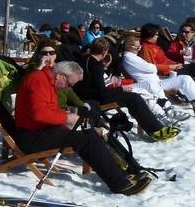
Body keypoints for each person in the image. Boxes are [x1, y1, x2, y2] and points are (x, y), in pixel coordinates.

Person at [14, 61, 150, 195]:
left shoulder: (45, 81)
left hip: (40, 130)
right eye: (69, 84)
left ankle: (121, 173)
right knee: (86, 138)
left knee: (88, 129)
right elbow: (40, 114)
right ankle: (120, 184)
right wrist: (67, 118)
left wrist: (68, 116)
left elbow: (48, 110)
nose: (67, 88)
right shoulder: (38, 80)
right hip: (31, 136)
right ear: (60, 75)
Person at [75, 38, 179, 142]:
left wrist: (105, 68)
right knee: (134, 98)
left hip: (88, 96)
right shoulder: (96, 66)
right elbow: (102, 92)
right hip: (96, 99)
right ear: (105, 52)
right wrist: (121, 89)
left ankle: (156, 124)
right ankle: (157, 130)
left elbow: (94, 83)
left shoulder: (86, 60)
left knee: (136, 94)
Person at [122, 34, 195, 109]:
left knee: (185, 78)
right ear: (130, 47)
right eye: (138, 47)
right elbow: (151, 68)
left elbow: (151, 67)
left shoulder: (133, 57)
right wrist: (155, 67)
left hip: (157, 81)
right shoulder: (129, 58)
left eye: (139, 47)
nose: (139, 49)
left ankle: (193, 101)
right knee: (185, 78)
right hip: (151, 84)